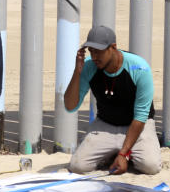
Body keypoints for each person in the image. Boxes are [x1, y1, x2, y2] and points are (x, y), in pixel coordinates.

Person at [64, 25, 161, 175]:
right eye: (91, 51)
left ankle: (124, 153)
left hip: (136, 124)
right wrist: (77, 73)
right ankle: (115, 153)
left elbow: (141, 116)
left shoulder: (139, 68)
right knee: (78, 167)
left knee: (151, 167)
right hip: (106, 124)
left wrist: (123, 154)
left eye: (99, 51)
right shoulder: (88, 66)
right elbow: (70, 106)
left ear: (113, 47)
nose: (94, 57)